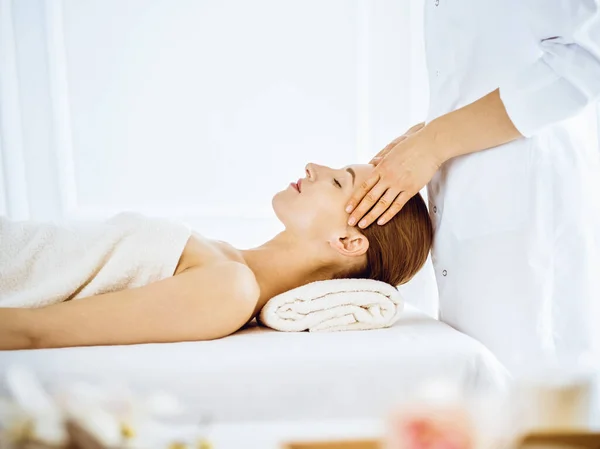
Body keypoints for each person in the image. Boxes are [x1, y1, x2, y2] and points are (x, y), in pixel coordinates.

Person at [345, 0, 600, 370]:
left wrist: (435, 142)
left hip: (526, 189)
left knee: (535, 392)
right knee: (481, 388)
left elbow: (586, 58)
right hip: (473, 186)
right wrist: (428, 136)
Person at [0, 163, 433, 350]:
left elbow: (36, 334)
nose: (313, 166)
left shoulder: (230, 290)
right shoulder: (226, 264)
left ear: (349, 242)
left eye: (338, 183)